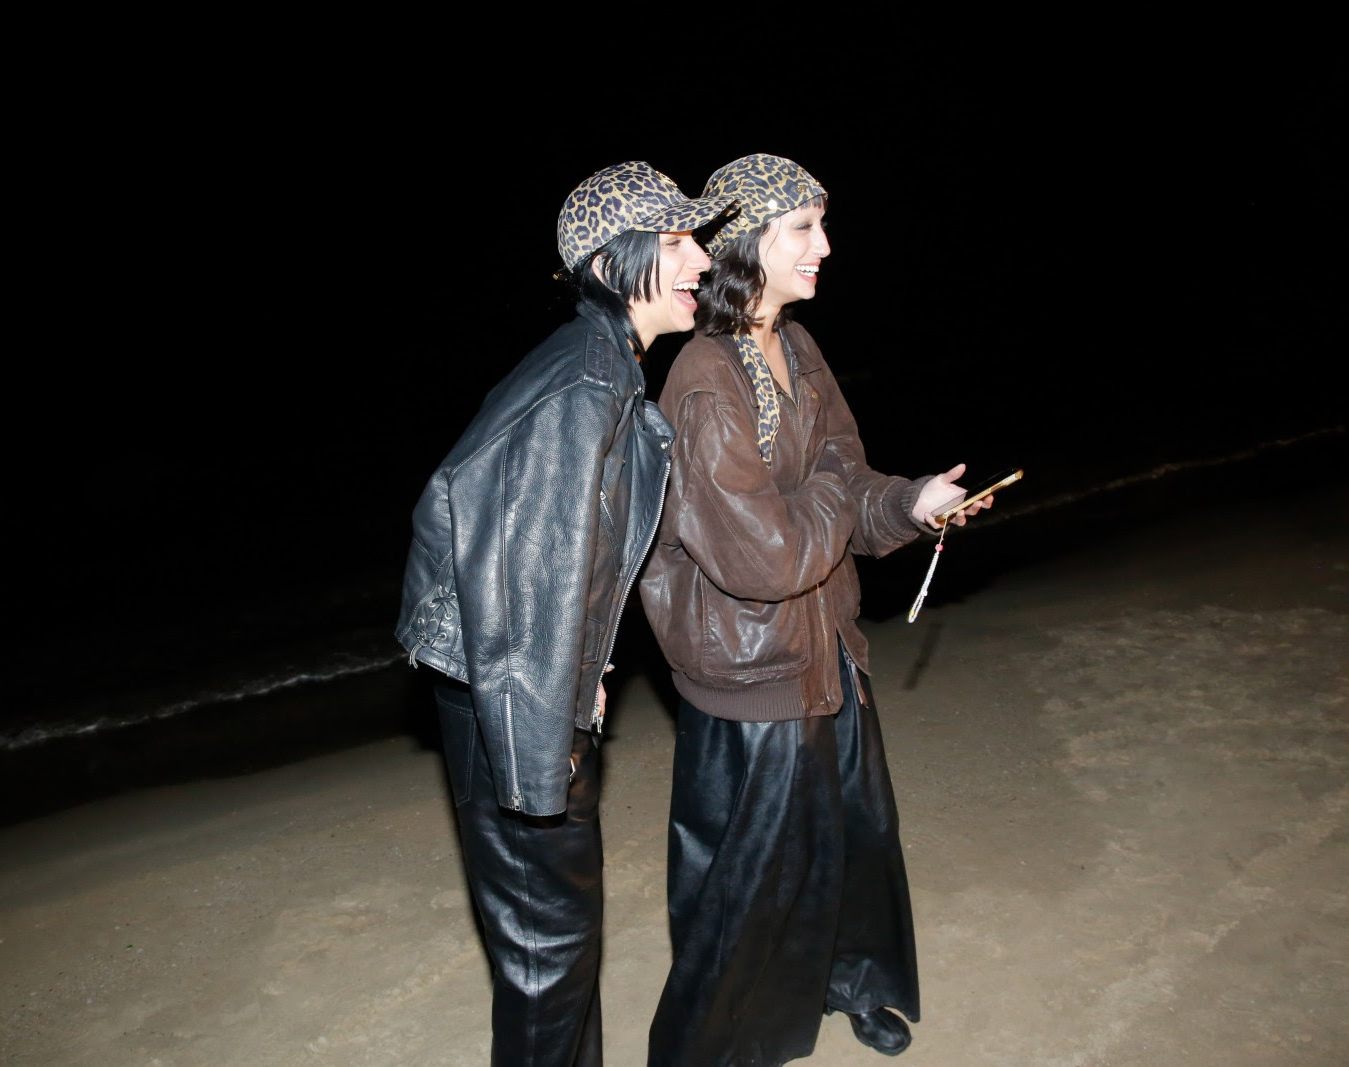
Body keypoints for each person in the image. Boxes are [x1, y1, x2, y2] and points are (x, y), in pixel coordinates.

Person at [638, 153, 991, 1064]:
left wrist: (911, 501)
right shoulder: (705, 380)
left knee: (854, 835)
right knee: (749, 883)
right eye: (804, 227)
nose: (825, 245)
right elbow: (765, 558)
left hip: (826, 643)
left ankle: (854, 983)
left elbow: (847, 483)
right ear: (749, 243)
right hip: (751, 670)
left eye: (821, 225)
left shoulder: (797, 347)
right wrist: (836, 493)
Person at [394, 161, 733, 1066]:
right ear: (615, 263)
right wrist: (546, 747)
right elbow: (524, 586)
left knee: (560, 940)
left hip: (513, 683)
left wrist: (585, 670)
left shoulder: (601, 362)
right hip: (508, 691)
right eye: (676, 241)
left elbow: (560, 558)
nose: (702, 259)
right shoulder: (586, 384)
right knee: (549, 949)